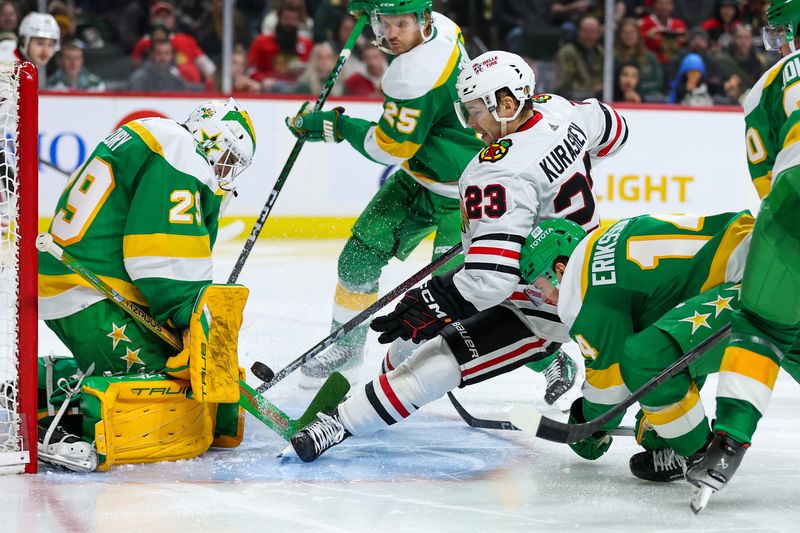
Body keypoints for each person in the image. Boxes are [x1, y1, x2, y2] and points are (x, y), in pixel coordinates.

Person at [288, 50, 629, 463]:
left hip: (542, 303)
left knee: (440, 354)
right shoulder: (560, 110)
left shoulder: (497, 170)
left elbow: (489, 282)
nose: (471, 125)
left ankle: (341, 423)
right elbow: (616, 130)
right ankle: (369, 397)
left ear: (507, 104)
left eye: (475, 112)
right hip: (592, 273)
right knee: (414, 336)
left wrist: (437, 299)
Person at [37, 98, 257, 471]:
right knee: (171, 386)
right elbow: (159, 255)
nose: (226, 169)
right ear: (211, 136)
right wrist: (188, 319)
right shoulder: (182, 153)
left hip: (77, 279)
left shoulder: (157, 135)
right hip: (90, 290)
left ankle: (35, 385)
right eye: (229, 156)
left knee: (174, 366)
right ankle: (47, 422)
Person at [285, 0, 485, 388]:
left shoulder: (414, 74)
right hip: (420, 178)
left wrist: (335, 126)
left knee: (465, 293)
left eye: (402, 24)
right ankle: (346, 350)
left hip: (466, 191)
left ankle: (546, 360)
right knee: (357, 259)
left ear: (423, 20)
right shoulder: (444, 25)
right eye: (384, 23)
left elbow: (390, 148)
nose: (391, 34)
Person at [517, 212, 753, 485]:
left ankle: (700, 454)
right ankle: (670, 435)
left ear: (559, 269)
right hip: (766, 249)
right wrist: (658, 423)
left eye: (540, 288)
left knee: (644, 358)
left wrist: (586, 426)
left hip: (750, 287)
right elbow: (674, 321)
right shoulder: (609, 235)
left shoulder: (584, 291)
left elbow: (609, 392)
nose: (545, 298)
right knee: (660, 349)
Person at [685, 0, 800, 510]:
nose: (777, 46)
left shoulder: (767, 85)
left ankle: (727, 445)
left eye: (781, 35)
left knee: (762, 326)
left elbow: (767, 182)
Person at [131, 2, 216, 89]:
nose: (163, 19)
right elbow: (138, 74)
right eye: (159, 15)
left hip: (190, 93)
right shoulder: (142, 44)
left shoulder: (186, 41)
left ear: (173, 19)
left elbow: (209, 69)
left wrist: (208, 87)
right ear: (151, 19)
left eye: (166, 16)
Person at [248, 0, 313, 92]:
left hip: (297, 89)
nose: (289, 23)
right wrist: (263, 79)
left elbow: (312, 70)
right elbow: (251, 69)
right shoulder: (261, 42)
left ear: (298, 21)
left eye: (293, 19)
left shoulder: (307, 45)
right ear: (279, 18)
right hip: (269, 88)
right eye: (286, 18)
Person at [554, 15, 605, 100]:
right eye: (585, 31)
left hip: (597, 100)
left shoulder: (601, 52)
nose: (589, 35)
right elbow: (563, 86)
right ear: (578, 31)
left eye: (593, 32)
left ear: (599, 33)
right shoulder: (567, 53)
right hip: (572, 101)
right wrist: (593, 90)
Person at [614, 17, 664, 100]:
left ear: (638, 34)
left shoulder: (650, 57)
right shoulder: (613, 58)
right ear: (620, 35)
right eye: (625, 32)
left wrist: (639, 89)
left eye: (632, 32)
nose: (628, 35)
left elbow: (658, 82)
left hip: (646, 98)